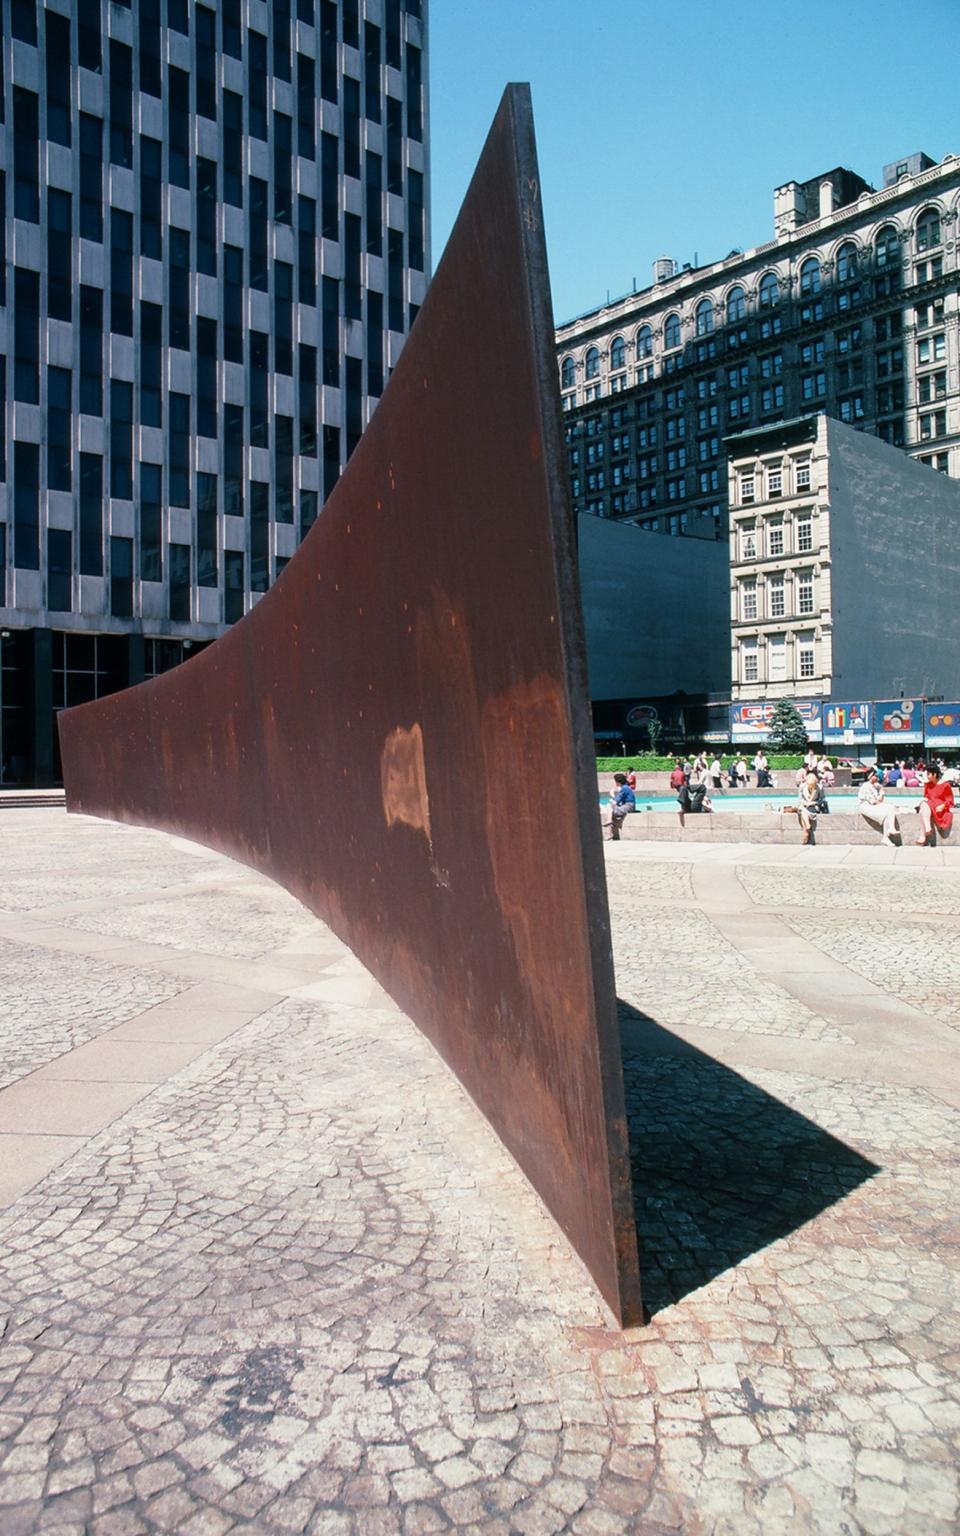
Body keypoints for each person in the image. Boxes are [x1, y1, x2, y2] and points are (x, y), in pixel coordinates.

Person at [858, 769, 901, 845]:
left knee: (888, 809)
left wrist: (881, 790)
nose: (877, 778)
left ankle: (886, 836)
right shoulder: (866, 786)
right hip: (866, 807)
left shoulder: (874, 787)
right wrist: (883, 804)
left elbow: (879, 800)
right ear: (871, 776)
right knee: (889, 808)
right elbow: (874, 802)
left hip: (872, 806)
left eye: (878, 777)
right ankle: (889, 831)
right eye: (876, 776)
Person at [915, 765, 954, 846]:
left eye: (928, 774)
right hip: (929, 806)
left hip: (939, 807)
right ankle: (927, 828)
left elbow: (950, 801)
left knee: (923, 807)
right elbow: (926, 797)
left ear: (934, 774)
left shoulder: (945, 785)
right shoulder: (927, 785)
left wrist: (943, 806)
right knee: (923, 805)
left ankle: (923, 836)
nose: (927, 776)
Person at [609, 771, 636, 841]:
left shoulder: (624, 788)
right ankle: (613, 827)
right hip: (629, 805)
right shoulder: (626, 787)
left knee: (612, 808)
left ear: (618, 782)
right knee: (612, 808)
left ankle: (611, 825)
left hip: (629, 806)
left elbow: (616, 801)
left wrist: (612, 794)